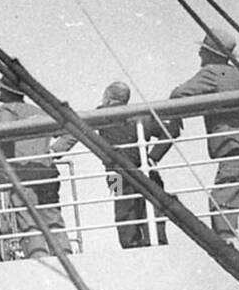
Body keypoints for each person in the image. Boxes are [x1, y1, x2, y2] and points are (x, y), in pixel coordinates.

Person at [163, 28, 239, 239]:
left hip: (237, 146)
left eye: (202, 50)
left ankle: (226, 246)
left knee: (223, 201)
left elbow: (180, 94)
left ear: (209, 53)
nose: (199, 55)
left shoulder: (212, 73)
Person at [50, 82, 170, 249]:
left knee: (123, 210)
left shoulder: (100, 114)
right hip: (146, 170)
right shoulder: (140, 115)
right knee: (152, 214)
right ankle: (158, 245)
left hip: (116, 175)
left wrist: (52, 153)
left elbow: (74, 133)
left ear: (107, 97)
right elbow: (170, 130)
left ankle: (130, 249)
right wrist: (154, 156)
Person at [0, 75, 68, 258]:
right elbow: (72, 132)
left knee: (29, 221)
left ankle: (38, 258)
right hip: (47, 171)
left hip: (23, 174)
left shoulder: (7, 109)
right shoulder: (40, 112)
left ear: (6, 91)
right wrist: (53, 151)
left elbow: (4, 134)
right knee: (53, 218)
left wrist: (1, 168)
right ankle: (66, 255)